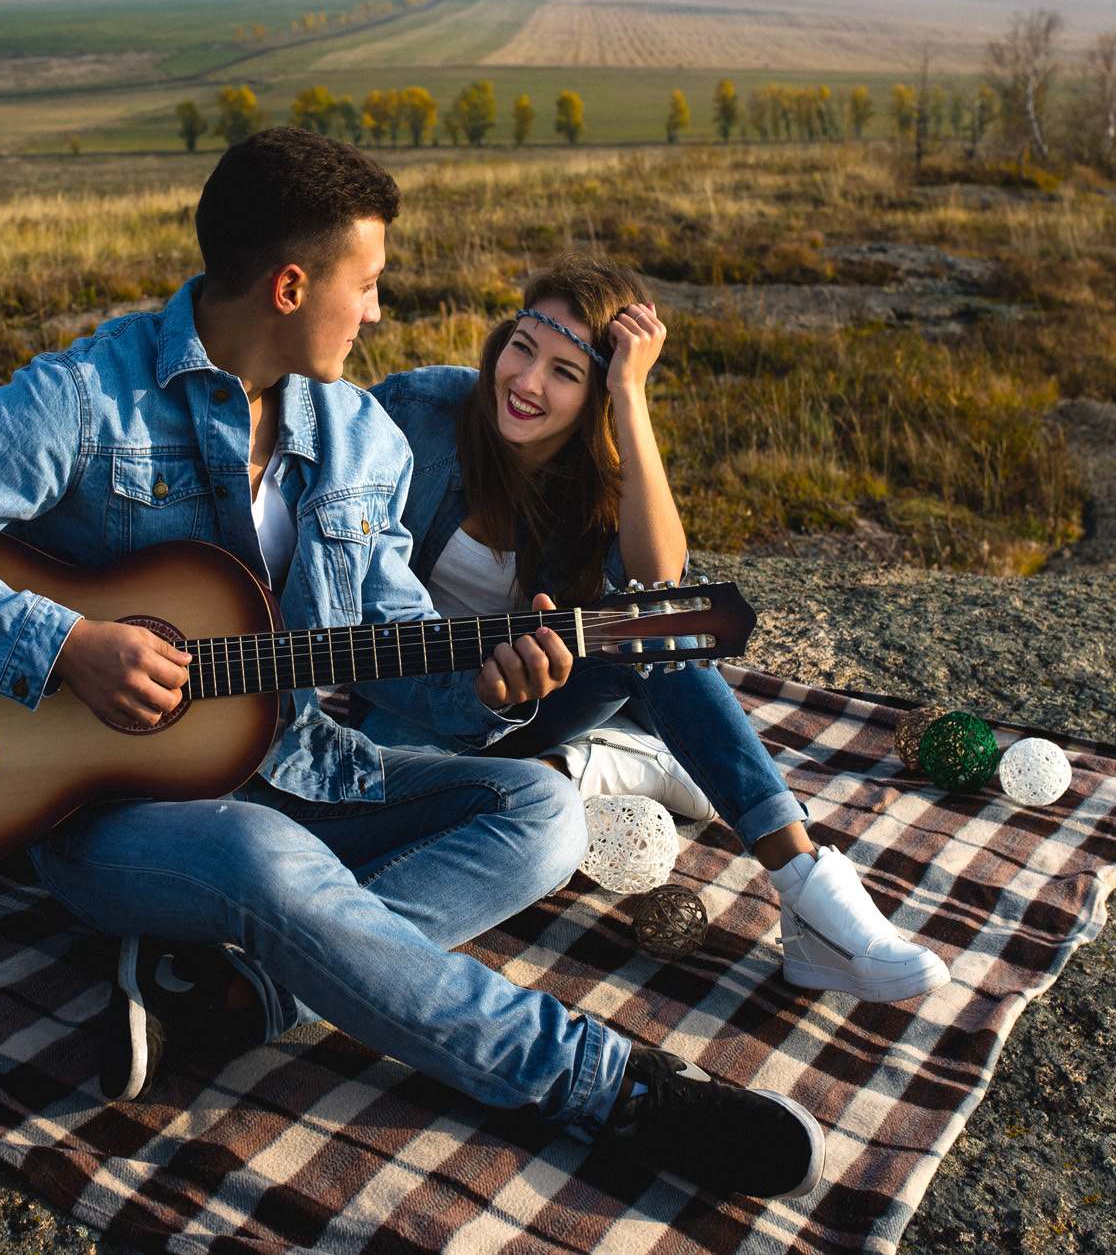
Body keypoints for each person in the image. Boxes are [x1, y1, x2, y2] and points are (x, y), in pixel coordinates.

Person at [0, 130, 825, 1203]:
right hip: (96, 809)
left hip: (305, 764)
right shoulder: (83, 397)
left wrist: (490, 690)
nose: (381, 314)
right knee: (262, 857)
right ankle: (611, 1087)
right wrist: (67, 643)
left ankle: (238, 992)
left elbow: (397, 652)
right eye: (371, 284)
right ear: (291, 285)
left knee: (539, 810)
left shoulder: (362, 440)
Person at [363, 258, 949, 1005]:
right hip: (415, 708)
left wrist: (631, 394)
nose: (527, 382)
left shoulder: (598, 482)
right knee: (388, 790)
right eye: (521, 347)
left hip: (538, 702)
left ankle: (808, 890)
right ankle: (625, 764)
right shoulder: (420, 406)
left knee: (654, 629)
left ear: (596, 396)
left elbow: (661, 582)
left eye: (567, 373)